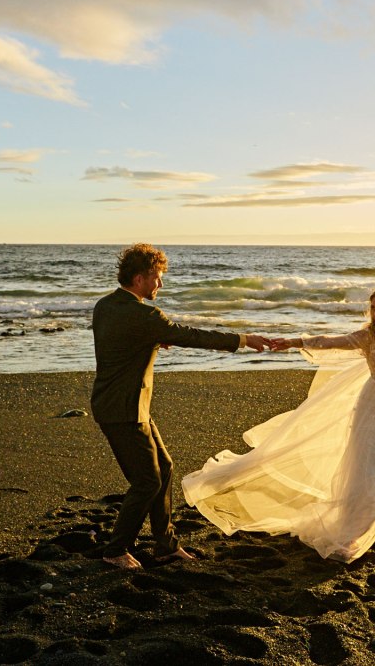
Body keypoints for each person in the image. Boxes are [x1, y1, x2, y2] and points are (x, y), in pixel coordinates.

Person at [182, 286, 375, 563]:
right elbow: (328, 341)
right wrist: (295, 341)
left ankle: (371, 526)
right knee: (365, 472)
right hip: (372, 411)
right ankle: (351, 534)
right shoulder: (367, 336)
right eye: (373, 308)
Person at [91, 243, 269, 570]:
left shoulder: (105, 306)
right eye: (157, 278)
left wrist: (152, 338)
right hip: (125, 410)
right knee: (146, 481)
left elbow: (118, 338)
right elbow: (192, 336)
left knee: (165, 467)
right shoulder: (145, 315)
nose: (160, 285)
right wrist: (242, 340)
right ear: (141, 277)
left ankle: (165, 546)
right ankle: (116, 549)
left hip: (121, 405)